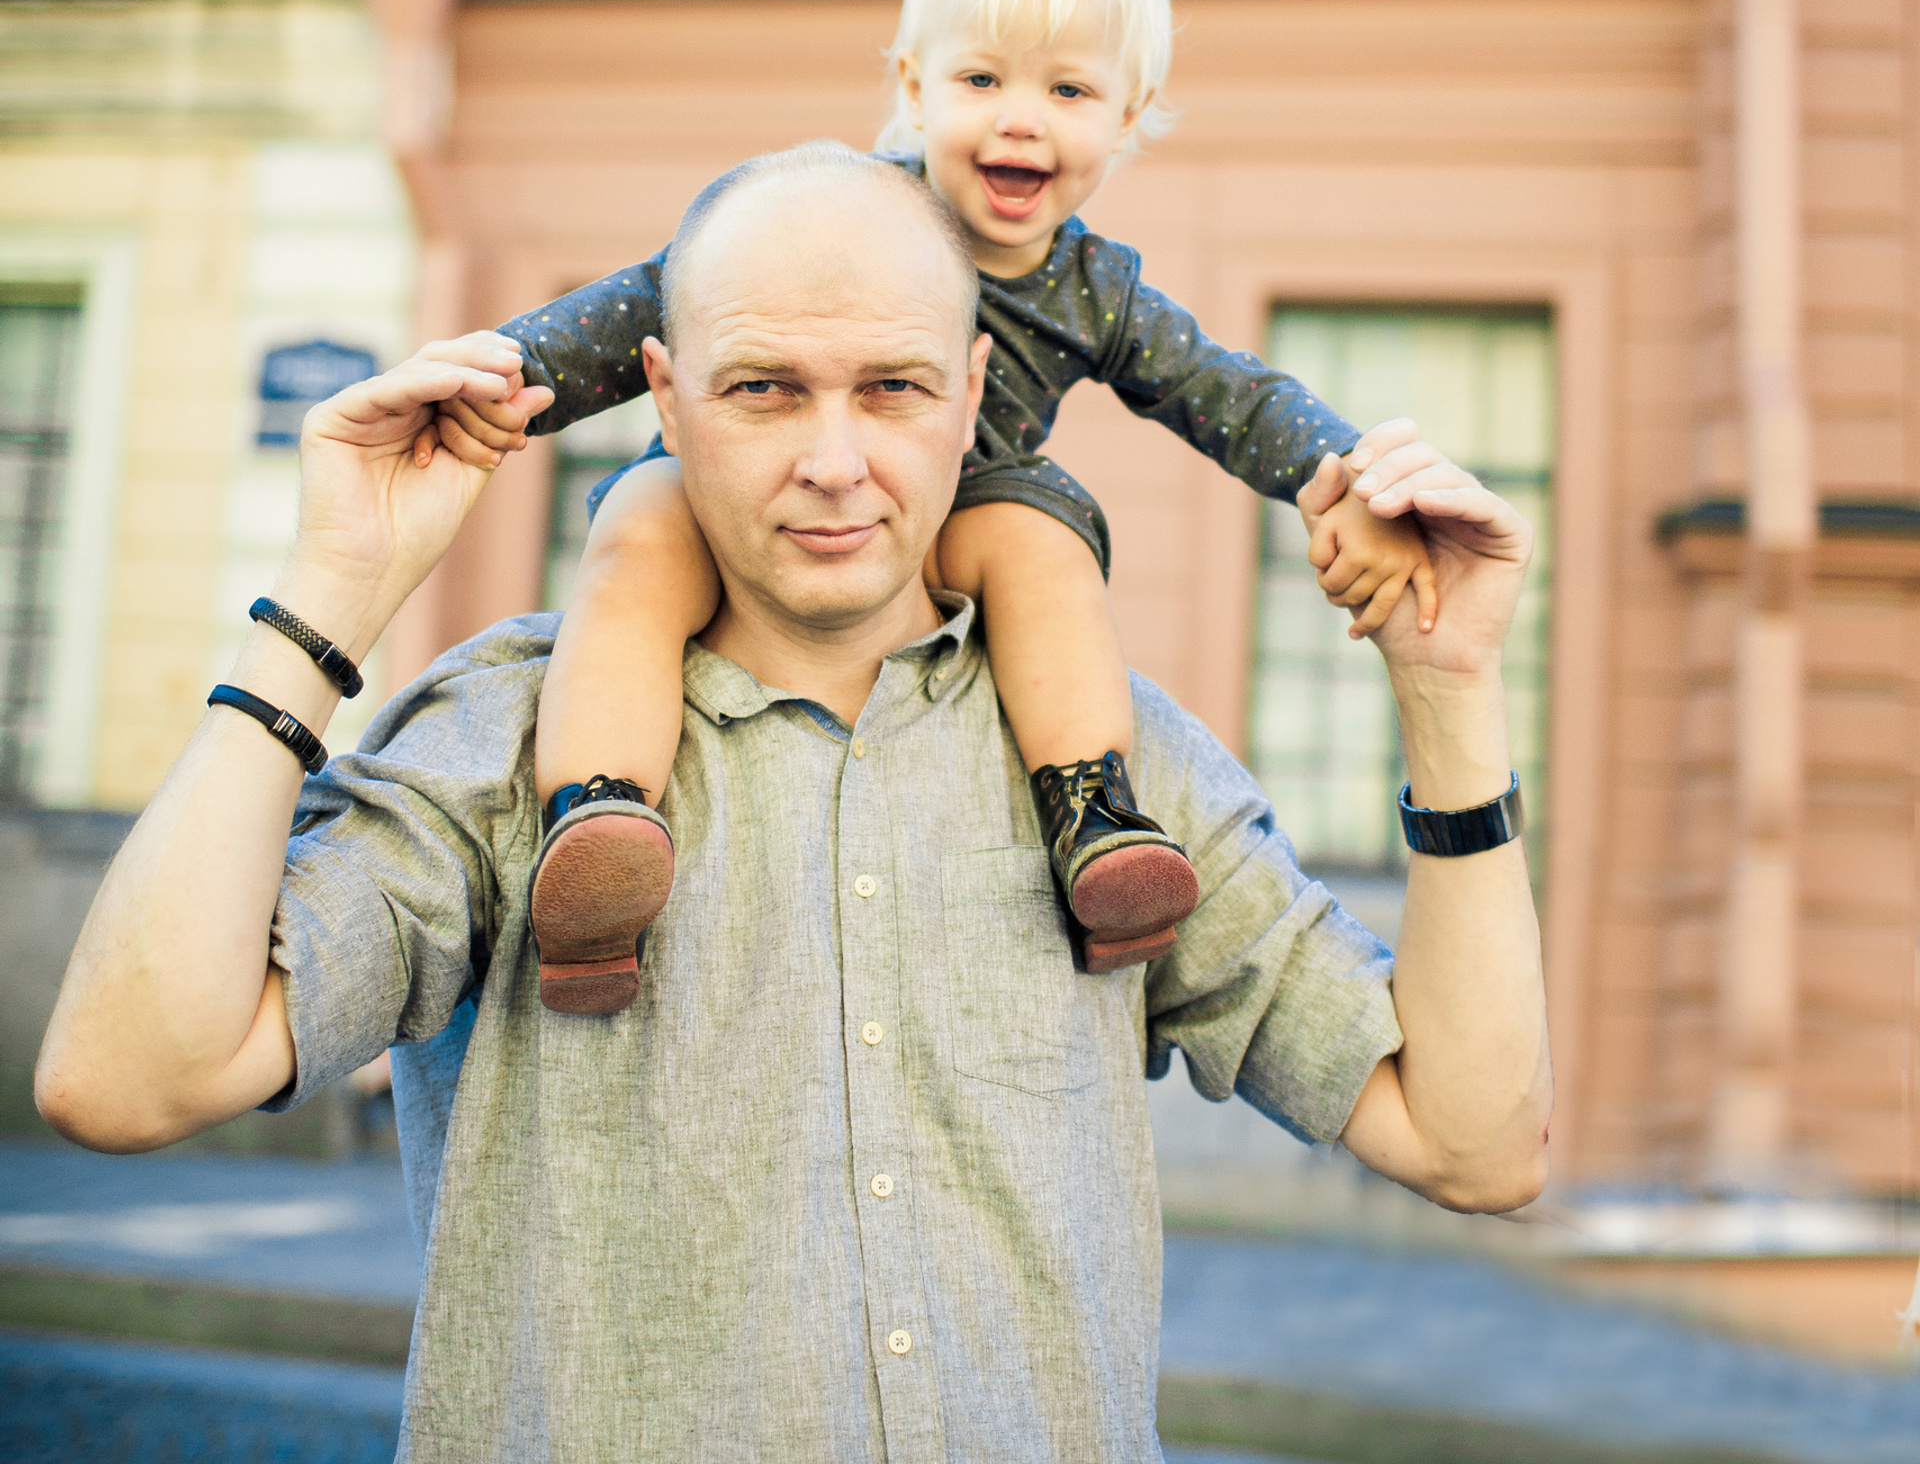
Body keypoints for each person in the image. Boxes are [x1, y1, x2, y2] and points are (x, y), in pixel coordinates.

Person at [36, 148, 1550, 1462]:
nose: (835, 463)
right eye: (766, 390)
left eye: (891, 389)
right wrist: (330, 594)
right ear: (667, 399)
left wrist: (1449, 696)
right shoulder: (513, 742)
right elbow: (126, 1080)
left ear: (973, 400)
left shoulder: (1113, 770)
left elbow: (1476, 1145)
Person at [442, 0, 1437, 1012]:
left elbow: (1224, 392)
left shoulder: (1094, 291)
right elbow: (656, 300)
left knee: (1042, 538)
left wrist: (1347, 475)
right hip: (771, 503)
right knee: (639, 522)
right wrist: (500, 372)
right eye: (981, 81)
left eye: (1067, 90)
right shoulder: (847, 208)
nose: (1020, 119)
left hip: (957, 519)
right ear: (913, 86)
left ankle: (1091, 813)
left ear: (1129, 112)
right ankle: (600, 825)